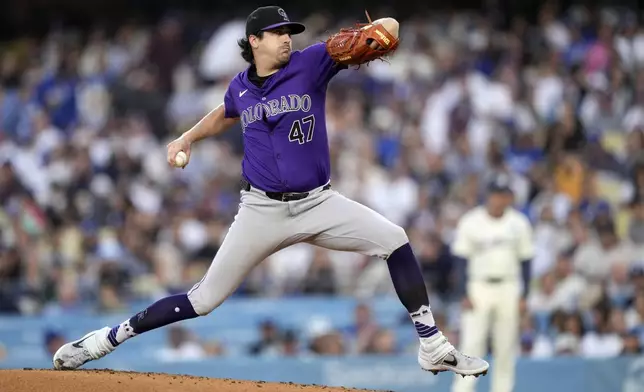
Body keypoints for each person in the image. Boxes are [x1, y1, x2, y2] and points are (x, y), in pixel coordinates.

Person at [53, 5, 489, 377]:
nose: (286, 39)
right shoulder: (239, 87)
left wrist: (372, 35)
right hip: (261, 210)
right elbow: (225, 112)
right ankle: (105, 340)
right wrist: (186, 138)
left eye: (289, 32)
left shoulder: (313, 61)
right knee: (203, 300)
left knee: (394, 239)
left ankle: (432, 344)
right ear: (254, 40)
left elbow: (390, 27)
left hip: (319, 202)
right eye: (278, 33)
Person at [451, 174, 535, 392]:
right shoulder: (471, 221)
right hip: (479, 286)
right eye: (495, 194)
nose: (499, 199)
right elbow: (460, 261)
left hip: (509, 286)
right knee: (471, 345)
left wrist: (524, 296)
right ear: (488, 196)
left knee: (506, 347)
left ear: (509, 198)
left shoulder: (519, 223)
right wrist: (463, 293)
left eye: (503, 195)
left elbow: (526, 261)